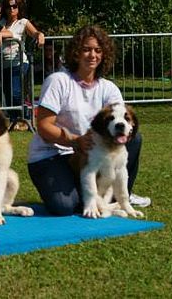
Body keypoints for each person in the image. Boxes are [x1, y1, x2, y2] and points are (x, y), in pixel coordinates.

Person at [26, 24, 151, 216]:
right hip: (52, 154)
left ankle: (121, 196)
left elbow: (122, 121)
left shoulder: (108, 88)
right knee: (65, 206)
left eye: (98, 50)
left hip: (90, 154)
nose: (92, 55)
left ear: (104, 55)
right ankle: (91, 197)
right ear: (76, 53)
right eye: (86, 49)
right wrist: (74, 141)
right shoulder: (58, 81)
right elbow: (43, 126)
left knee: (133, 138)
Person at [1, 0, 45, 121]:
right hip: (4, 63)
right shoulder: (2, 23)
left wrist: (40, 35)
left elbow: (35, 32)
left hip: (19, 62)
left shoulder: (23, 22)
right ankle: (14, 120)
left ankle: (24, 118)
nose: (11, 9)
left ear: (19, 8)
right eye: (8, 7)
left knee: (16, 93)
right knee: (8, 94)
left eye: (14, 6)